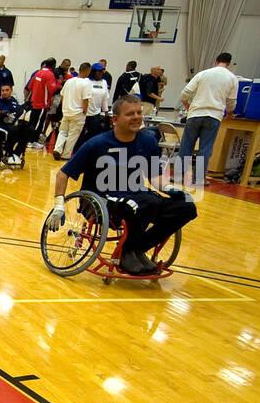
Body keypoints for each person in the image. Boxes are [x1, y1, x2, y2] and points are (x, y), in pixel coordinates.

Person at [47, 94, 197, 275]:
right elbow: (63, 174)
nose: (136, 117)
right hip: (100, 200)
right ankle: (129, 253)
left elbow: (155, 177)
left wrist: (171, 189)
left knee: (186, 207)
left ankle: (136, 248)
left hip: (138, 197)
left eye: (139, 112)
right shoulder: (97, 144)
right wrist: (58, 206)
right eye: (130, 114)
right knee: (142, 203)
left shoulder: (148, 141)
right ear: (115, 119)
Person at [177, 53, 236, 184]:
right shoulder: (232, 78)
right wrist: (230, 113)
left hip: (196, 113)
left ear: (216, 61)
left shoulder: (203, 73)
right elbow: (231, 102)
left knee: (186, 146)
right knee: (205, 148)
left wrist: (188, 105)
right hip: (214, 116)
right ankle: (198, 179)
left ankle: (178, 175)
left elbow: (185, 93)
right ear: (229, 64)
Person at [54, 60, 92, 162]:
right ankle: (66, 154)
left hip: (66, 111)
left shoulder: (69, 81)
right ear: (88, 71)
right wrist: (85, 111)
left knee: (62, 131)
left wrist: (64, 106)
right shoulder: (86, 83)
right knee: (73, 134)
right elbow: (85, 99)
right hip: (78, 112)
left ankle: (57, 149)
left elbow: (62, 95)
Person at [0, 83, 28, 166]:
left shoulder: (14, 101)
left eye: (7, 90)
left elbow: (17, 114)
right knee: (13, 129)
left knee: (29, 128)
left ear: (11, 91)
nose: (4, 92)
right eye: (2, 90)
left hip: (11, 124)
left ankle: (16, 154)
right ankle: (8, 154)